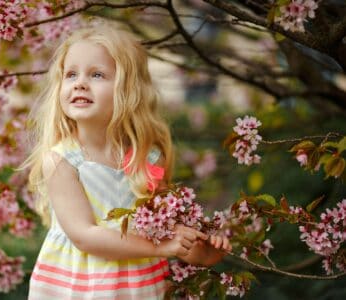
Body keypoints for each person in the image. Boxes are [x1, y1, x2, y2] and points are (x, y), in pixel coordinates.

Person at [21, 26, 231, 300]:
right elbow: (85, 236)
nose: (80, 83)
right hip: (83, 286)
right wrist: (160, 248)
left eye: (97, 74)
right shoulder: (62, 161)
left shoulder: (148, 156)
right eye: (71, 74)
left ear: (128, 88)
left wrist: (201, 252)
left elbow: (165, 227)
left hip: (138, 286)